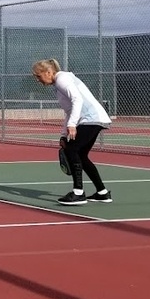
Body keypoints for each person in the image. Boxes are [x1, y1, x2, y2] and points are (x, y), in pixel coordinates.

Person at [32, 59, 113, 205]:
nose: (38, 80)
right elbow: (69, 110)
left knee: (71, 150)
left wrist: (72, 125)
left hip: (91, 119)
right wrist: (64, 134)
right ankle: (102, 192)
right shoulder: (59, 85)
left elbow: (77, 99)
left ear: (49, 72)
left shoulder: (63, 79)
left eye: (38, 76)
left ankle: (78, 193)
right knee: (81, 155)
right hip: (91, 119)